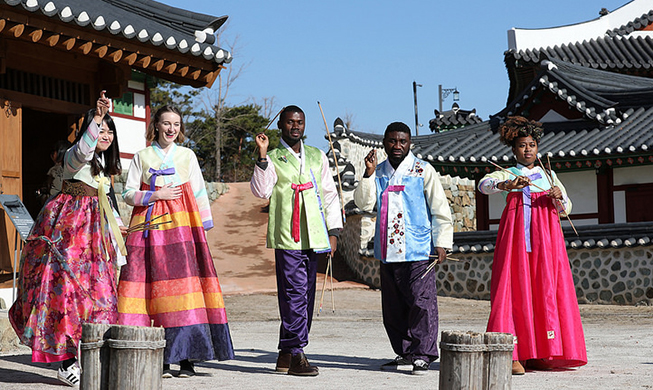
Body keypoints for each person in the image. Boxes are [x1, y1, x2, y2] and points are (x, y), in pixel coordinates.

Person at [9, 91, 126, 387]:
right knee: (65, 291)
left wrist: (119, 228)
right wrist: (97, 117)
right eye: (101, 129)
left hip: (95, 238)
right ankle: (65, 361)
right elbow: (83, 151)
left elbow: (109, 204)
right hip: (69, 235)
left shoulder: (104, 170)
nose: (105, 134)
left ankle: (91, 355)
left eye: (109, 130)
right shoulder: (75, 157)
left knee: (98, 292)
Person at [117, 105, 234, 378]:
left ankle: (186, 357)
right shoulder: (142, 156)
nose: (171, 129)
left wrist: (201, 231)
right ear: (156, 125)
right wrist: (154, 195)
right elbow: (127, 192)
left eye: (177, 125)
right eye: (166, 123)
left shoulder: (187, 156)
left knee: (184, 289)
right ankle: (160, 358)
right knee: (150, 287)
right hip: (148, 227)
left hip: (182, 228)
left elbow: (200, 190)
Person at [477, 116, 587, 375]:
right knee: (513, 289)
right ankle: (512, 353)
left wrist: (560, 197)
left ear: (538, 147)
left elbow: (566, 209)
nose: (528, 150)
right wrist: (506, 185)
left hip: (547, 242)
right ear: (514, 150)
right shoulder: (508, 173)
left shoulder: (549, 175)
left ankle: (542, 351)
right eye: (522, 146)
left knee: (545, 288)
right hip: (517, 240)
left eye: (532, 145)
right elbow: (484, 186)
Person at [353, 121, 454, 375]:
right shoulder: (379, 171)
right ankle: (405, 352)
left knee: (421, 301)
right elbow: (364, 203)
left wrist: (442, 242)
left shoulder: (423, 170)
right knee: (394, 305)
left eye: (402, 141)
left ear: (410, 143)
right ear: (384, 143)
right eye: (392, 141)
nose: (397, 146)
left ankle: (423, 353)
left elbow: (440, 209)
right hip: (388, 249)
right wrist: (368, 173)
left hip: (419, 248)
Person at [250, 105, 342, 376]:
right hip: (287, 234)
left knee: (307, 293)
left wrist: (334, 231)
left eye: (299, 122)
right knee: (294, 293)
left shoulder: (316, 155)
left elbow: (329, 193)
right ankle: (297, 352)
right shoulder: (275, 156)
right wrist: (263, 156)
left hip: (314, 233)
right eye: (290, 122)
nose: (295, 126)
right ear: (280, 125)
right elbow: (261, 191)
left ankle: (285, 354)